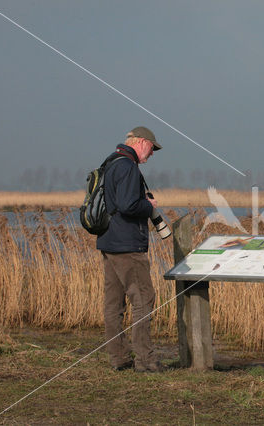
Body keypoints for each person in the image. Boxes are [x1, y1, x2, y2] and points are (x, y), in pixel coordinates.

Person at [96, 126, 164, 372]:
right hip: (127, 245)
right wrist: (148, 205)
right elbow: (127, 205)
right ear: (141, 142)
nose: (153, 153)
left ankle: (119, 357)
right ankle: (146, 360)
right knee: (144, 298)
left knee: (113, 303)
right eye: (152, 148)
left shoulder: (111, 163)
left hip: (108, 242)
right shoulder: (128, 167)